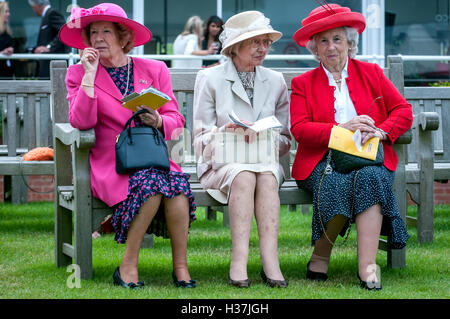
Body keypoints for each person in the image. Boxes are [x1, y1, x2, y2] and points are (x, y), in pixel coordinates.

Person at [59, 3, 196, 289]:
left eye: (106, 32)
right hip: (112, 162)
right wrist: (88, 76)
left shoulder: (155, 69)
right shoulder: (78, 73)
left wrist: (158, 119)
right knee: (151, 185)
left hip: (152, 155)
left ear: (123, 38)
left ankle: (181, 268)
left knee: (179, 187)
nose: (98, 38)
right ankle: (127, 266)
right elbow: (81, 122)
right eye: (93, 32)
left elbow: (176, 120)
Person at [290, 3, 413, 290]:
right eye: (323, 41)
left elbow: (403, 111)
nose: (331, 47)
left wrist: (382, 132)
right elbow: (299, 128)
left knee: (369, 179)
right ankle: (321, 256)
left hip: (369, 159)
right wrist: (340, 129)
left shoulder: (371, 73)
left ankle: (368, 268)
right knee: (337, 181)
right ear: (315, 48)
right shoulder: (302, 83)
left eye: (337, 39)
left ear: (349, 43)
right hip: (324, 160)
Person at [193, 11, 291, 288]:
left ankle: (270, 260)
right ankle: (239, 259)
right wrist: (229, 134)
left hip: (264, 161)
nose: (263, 48)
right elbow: (199, 136)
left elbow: (285, 136)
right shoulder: (210, 78)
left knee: (268, 175)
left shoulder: (275, 80)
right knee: (245, 175)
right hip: (221, 164)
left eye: (266, 42)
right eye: (255, 42)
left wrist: (266, 139)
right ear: (234, 47)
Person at [29, 0, 69, 78]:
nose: (34, 10)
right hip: (48, 64)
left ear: (37, 5)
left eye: (33, 7)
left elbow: (64, 32)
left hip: (54, 64)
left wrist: (48, 47)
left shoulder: (52, 13)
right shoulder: (47, 15)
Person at [0, 1, 14, 79]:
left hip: (7, 73)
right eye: (6, 12)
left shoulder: (7, 32)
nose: (8, 14)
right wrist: (2, 53)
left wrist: (10, 50)